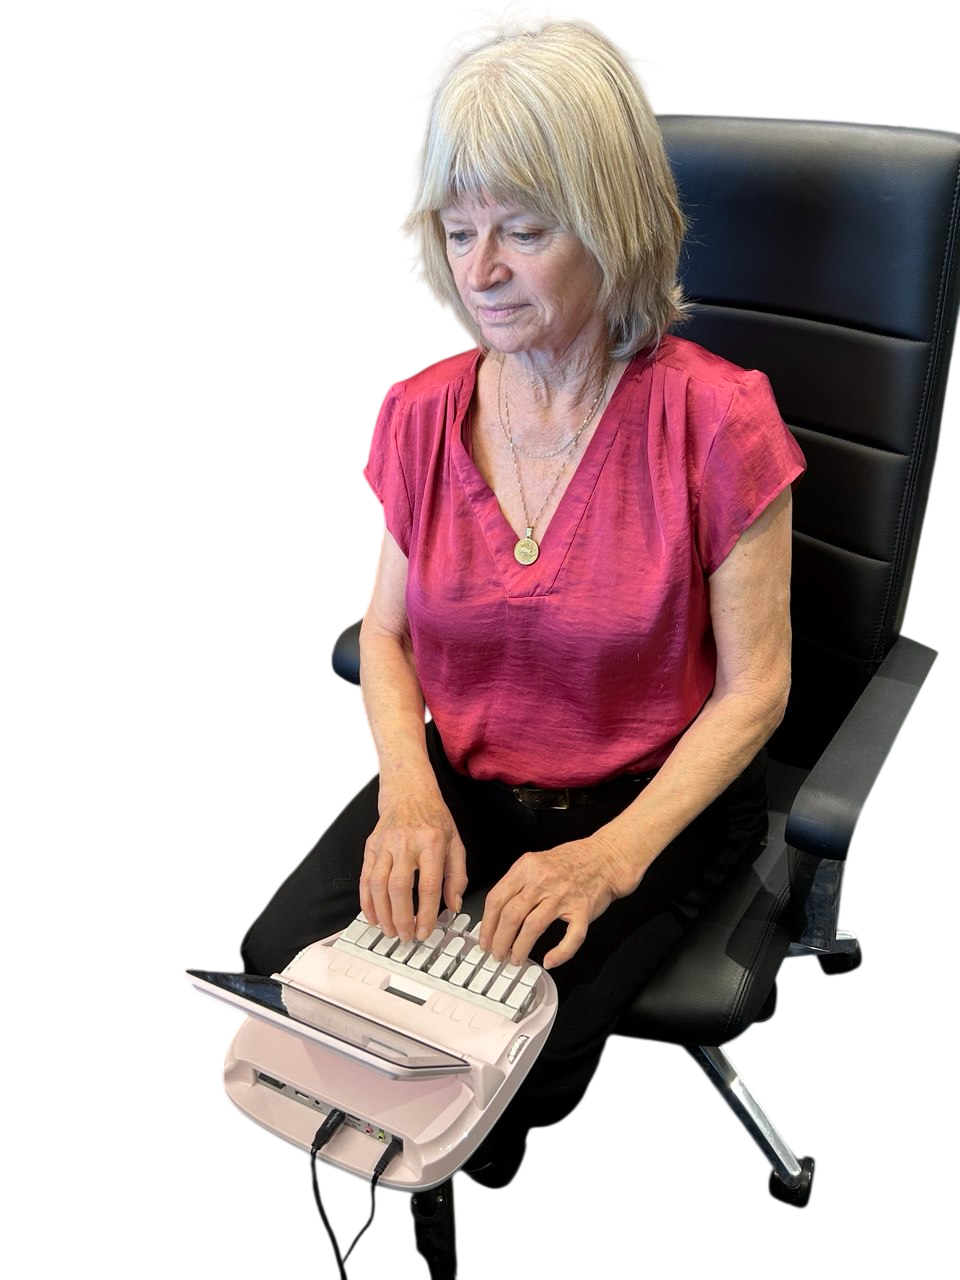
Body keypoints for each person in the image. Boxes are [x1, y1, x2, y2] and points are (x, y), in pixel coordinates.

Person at [240, 5, 805, 1109]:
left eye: (525, 230)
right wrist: (409, 795)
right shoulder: (419, 412)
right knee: (292, 973)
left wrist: (609, 857)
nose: (483, 270)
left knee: (502, 1068)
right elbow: (388, 635)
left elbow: (757, 689)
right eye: (459, 230)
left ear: (611, 224)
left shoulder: (719, 420)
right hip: (462, 786)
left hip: (645, 804)